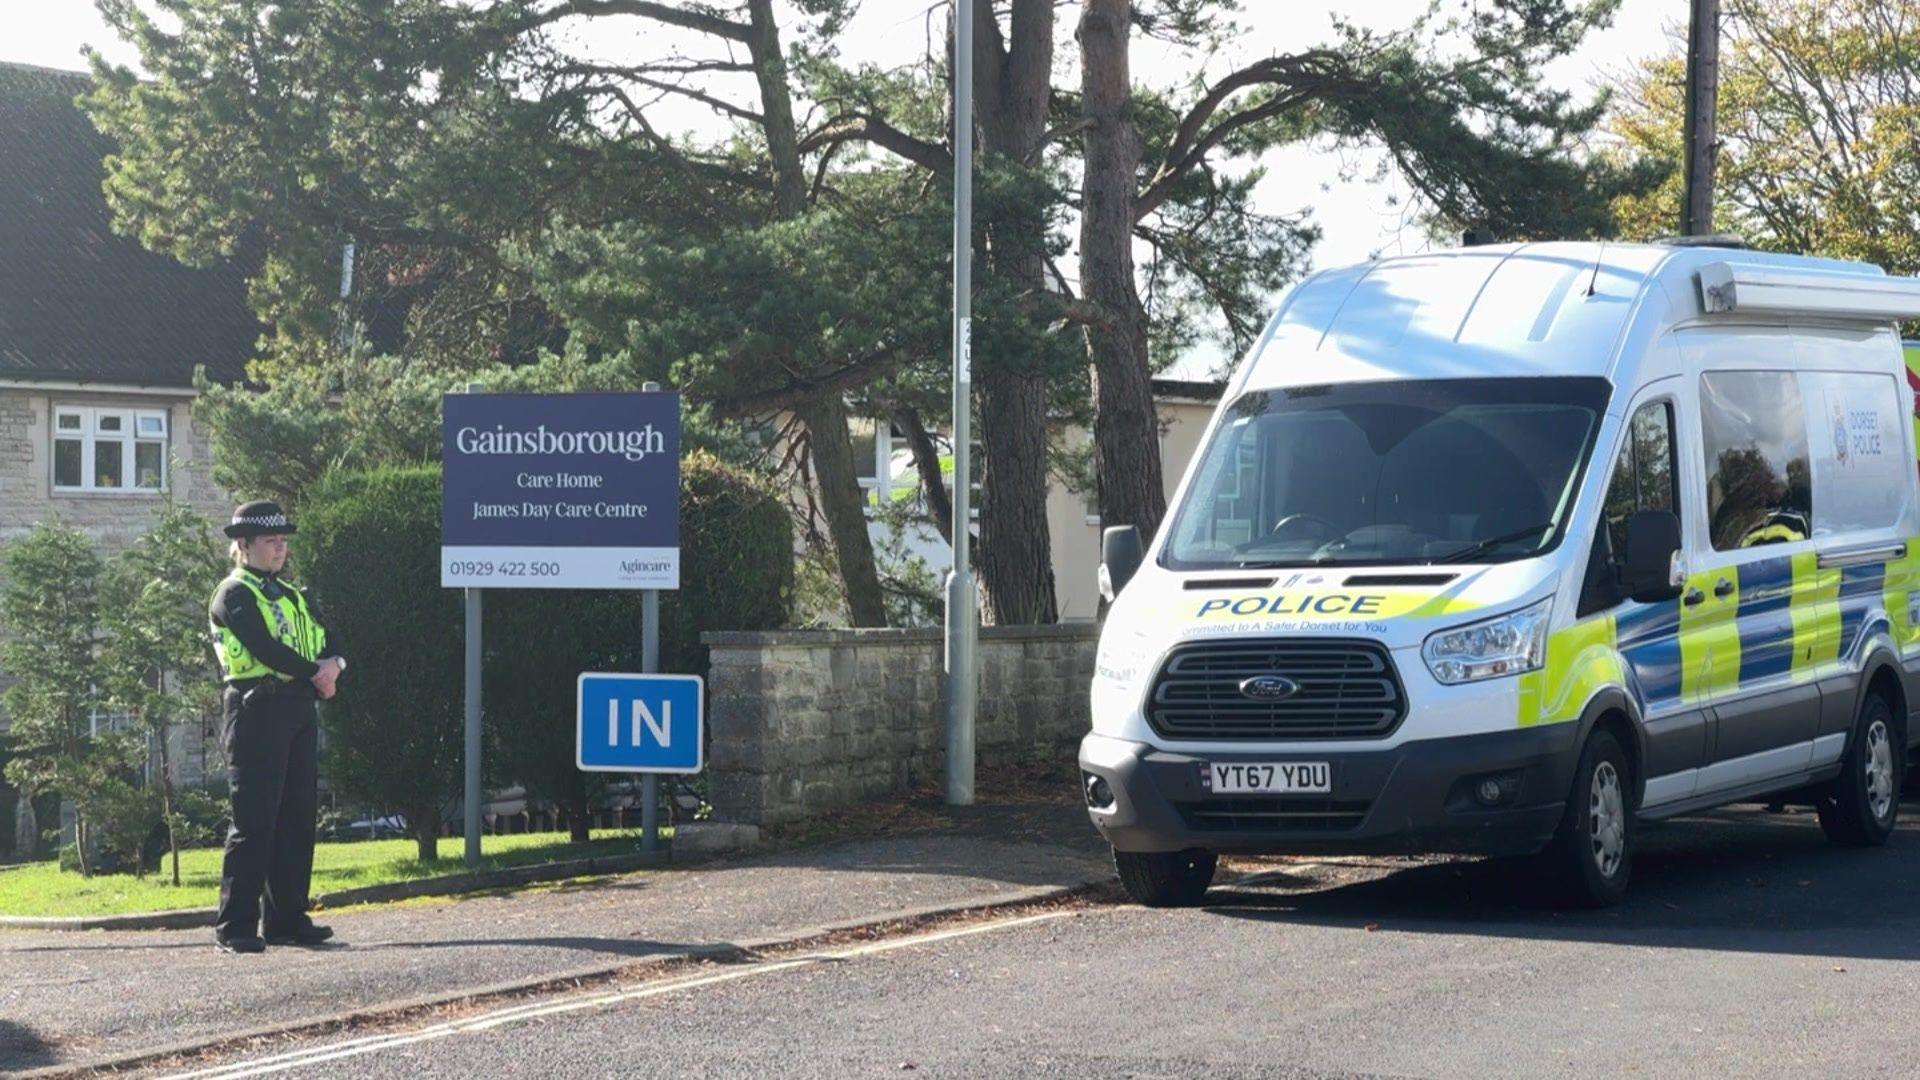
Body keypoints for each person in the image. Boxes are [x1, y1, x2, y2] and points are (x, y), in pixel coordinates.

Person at [208, 500, 347, 954]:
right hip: (254, 708)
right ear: (243, 545)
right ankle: (236, 926)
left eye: (283, 540)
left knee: (296, 818)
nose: (280, 548)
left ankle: (288, 920)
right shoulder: (234, 593)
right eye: (271, 541)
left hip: (298, 710)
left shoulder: (293, 594)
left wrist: (334, 667)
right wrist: (315, 671)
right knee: (254, 820)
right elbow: (264, 648)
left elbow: (331, 638)